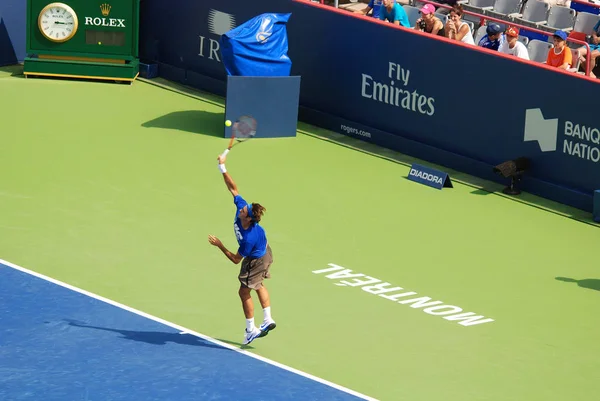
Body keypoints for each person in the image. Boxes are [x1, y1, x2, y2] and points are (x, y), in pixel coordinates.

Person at [208, 151, 276, 346]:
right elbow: (233, 189)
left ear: (248, 219)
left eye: (244, 211)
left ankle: (250, 330)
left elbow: (236, 259)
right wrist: (223, 167)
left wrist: (219, 245)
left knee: (244, 292)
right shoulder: (243, 209)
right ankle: (268, 318)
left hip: (255, 259)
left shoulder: (248, 237)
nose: (241, 209)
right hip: (266, 252)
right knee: (259, 285)